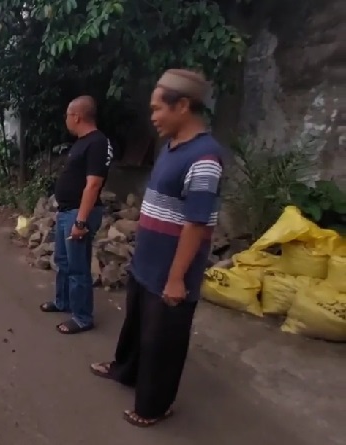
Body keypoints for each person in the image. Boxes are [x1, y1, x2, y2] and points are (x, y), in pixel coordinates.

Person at [89, 69, 224, 427]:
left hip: (171, 270)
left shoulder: (205, 157)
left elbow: (196, 224)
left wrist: (177, 278)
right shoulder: (171, 148)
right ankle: (126, 371)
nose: (152, 117)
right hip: (147, 263)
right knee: (135, 327)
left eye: (156, 109)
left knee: (163, 341)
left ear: (181, 106)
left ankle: (154, 405)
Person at [40, 96, 113, 334]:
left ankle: (82, 317)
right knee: (62, 262)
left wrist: (81, 221)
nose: (66, 120)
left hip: (78, 214)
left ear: (77, 116)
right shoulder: (81, 142)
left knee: (78, 267)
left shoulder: (97, 143)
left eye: (67, 115)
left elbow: (93, 185)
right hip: (66, 212)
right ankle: (64, 301)